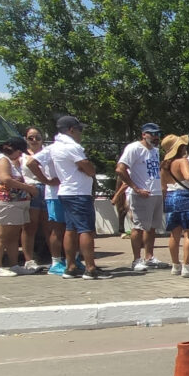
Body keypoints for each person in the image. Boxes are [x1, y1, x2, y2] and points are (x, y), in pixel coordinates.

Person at [50, 115, 110, 280]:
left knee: (71, 229)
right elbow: (89, 168)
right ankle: (90, 268)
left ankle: (71, 266)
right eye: (79, 129)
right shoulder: (72, 146)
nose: (80, 133)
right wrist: (89, 168)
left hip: (66, 191)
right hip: (78, 192)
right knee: (86, 230)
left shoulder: (55, 146)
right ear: (71, 129)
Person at [116, 123, 164, 271]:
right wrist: (136, 188)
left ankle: (149, 257)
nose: (156, 137)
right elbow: (120, 168)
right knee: (138, 227)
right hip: (141, 195)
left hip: (156, 193)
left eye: (157, 134)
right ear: (144, 134)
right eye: (152, 134)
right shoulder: (134, 148)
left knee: (152, 228)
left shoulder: (155, 151)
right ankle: (136, 259)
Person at [0, 138, 39, 277]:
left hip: (17, 202)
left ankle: (14, 265)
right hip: (7, 201)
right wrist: (28, 188)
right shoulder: (2, 159)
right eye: (18, 151)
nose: (19, 155)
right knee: (2, 235)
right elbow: (6, 179)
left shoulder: (11, 161)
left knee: (13, 236)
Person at [161, 134, 189, 278]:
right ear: (181, 147)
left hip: (170, 198)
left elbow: (163, 187)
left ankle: (175, 265)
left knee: (174, 234)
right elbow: (188, 177)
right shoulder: (182, 161)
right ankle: (186, 266)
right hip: (184, 197)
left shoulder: (164, 165)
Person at [26, 137, 66, 275]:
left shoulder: (72, 148)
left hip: (69, 194)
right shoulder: (51, 149)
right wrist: (46, 181)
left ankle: (73, 258)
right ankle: (56, 263)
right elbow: (30, 163)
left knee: (70, 229)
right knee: (56, 229)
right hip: (54, 195)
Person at [19, 127, 48, 272]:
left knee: (50, 226)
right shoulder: (21, 156)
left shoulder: (47, 153)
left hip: (47, 189)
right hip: (31, 190)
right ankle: (29, 260)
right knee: (30, 227)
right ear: (26, 139)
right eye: (31, 138)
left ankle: (55, 259)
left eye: (37, 137)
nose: (35, 140)